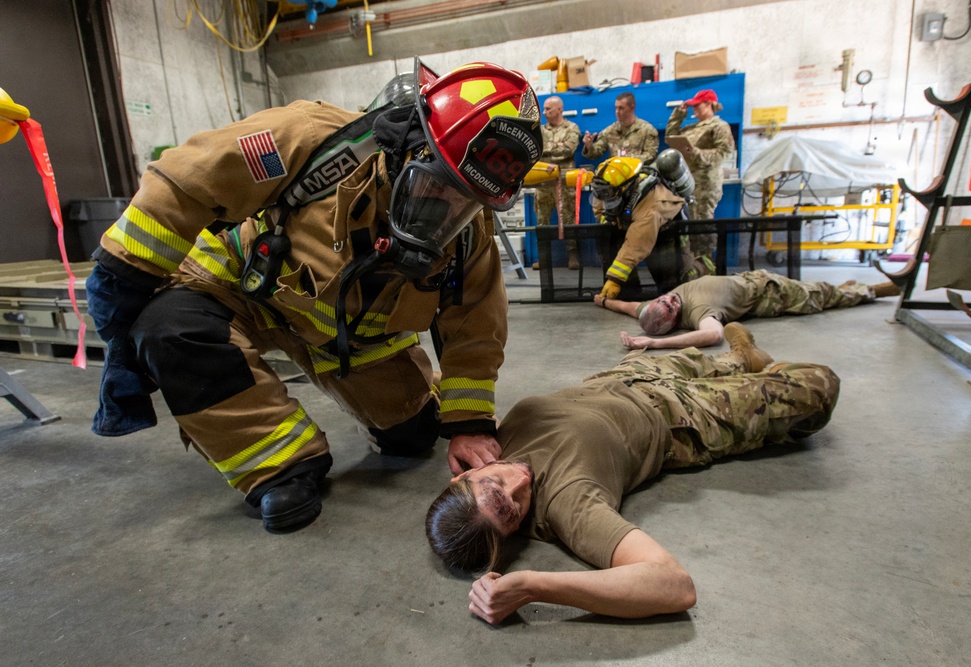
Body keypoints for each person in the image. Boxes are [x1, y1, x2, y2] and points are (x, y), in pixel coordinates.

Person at [84, 59, 543, 533]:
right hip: (244, 290)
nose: (446, 209)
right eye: (437, 184)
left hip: (345, 337)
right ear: (409, 145)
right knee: (168, 330)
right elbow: (190, 178)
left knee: (414, 436)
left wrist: (467, 421)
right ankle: (282, 465)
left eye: (466, 200)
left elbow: (474, 325)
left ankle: (406, 403)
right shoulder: (309, 137)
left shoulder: (470, 235)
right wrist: (124, 275)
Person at [425, 323, 840, 624]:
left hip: (625, 377)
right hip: (683, 416)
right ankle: (755, 374)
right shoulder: (567, 504)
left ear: (461, 478)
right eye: (512, 509)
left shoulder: (485, 447)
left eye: (495, 483)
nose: (520, 481)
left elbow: (448, 376)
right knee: (820, 386)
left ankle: (740, 359)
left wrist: (459, 425)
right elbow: (674, 585)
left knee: (711, 359)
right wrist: (534, 586)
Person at [594, 270, 900, 350]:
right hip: (770, 294)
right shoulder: (701, 313)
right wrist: (655, 344)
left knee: (824, 289)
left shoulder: (655, 308)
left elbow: (630, 307)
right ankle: (871, 292)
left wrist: (604, 301)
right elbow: (713, 337)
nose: (671, 298)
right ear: (674, 322)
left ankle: (852, 287)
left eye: (665, 298)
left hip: (754, 277)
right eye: (671, 305)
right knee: (823, 296)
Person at [591, 156, 708, 301]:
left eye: (605, 193)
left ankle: (705, 268)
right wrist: (607, 221)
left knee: (673, 283)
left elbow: (636, 245)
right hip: (638, 225)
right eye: (600, 192)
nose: (602, 197)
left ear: (625, 188)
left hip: (667, 231)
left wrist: (614, 280)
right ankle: (629, 290)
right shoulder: (608, 188)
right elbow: (599, 203)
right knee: (613, 241)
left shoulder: (651, 207)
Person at [665, 89, 736, 272]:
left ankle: (706, 265)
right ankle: (693, 265)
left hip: (705, 184)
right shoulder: (692, 128)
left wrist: (696, 154)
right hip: (687, 183)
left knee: (702, 223)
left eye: (697, 105)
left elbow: (723, 153)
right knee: (689, 224)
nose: (694, 108)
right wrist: (679, 114)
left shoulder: (719, 126)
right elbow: (670, 136)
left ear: (710, 104)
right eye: (692, 105)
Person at [532, 96, 581, 270]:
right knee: (542, 220)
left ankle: (573, 256)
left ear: (559, 109)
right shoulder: (540, 130)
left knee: (568, 220)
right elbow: (534, 151)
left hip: (564, 182)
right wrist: (551, 152)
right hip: (543, 182)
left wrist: (546, 153)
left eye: (548, 109)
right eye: (544, 109)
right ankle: (544, 258)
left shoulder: (572, 128)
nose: (544, 113)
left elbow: (568, 150)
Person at [581, 92, 659, 163]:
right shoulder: (609, 131)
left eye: (621, 108)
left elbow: (650, 156)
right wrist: (589, 146)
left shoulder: (647, 130)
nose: (617, 112)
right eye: (616, 108)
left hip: (639, 174)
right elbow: (595, 153)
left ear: (632, 108)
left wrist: (626, 161)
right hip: (615, 174)